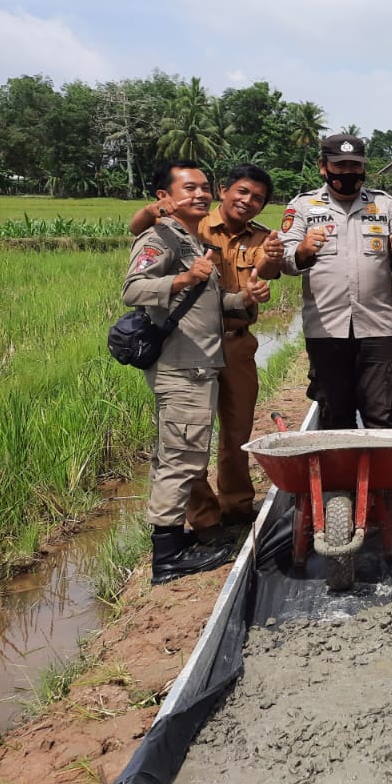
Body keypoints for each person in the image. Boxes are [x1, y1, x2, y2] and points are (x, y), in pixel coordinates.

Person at [123, 162, 271, 582]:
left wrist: (243, 298)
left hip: (201, 361)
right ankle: (167, 555)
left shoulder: (190, 240)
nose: (200, 195)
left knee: (182, 453)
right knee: (181, 458)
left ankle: (174, 539)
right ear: (164, 198)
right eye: (189, 188)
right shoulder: (158, 238)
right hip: (181, 366)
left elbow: (210, 303)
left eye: (204, 187)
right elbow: (132, 289)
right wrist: (184, 278)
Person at [278, 134, 392, 430]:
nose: (348, 172)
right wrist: (302, 251)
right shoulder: (302, 207)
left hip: (376, 328)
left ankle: (383, 478)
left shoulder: (385, 205)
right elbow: (285, 260)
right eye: (340, 166)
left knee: (381, 414)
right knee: (335, 416)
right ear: (323, 166)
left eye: (355, 165)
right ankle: (340, 477)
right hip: (325, 328)